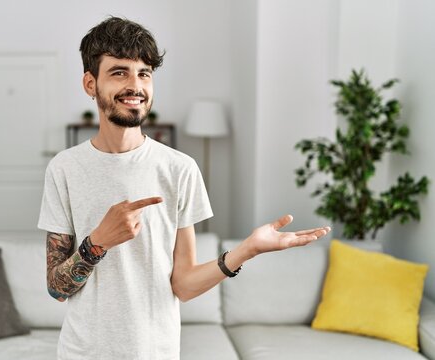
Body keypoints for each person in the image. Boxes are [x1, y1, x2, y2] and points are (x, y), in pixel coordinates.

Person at [37, 16, 330, 360]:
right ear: (90, 83)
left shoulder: (179, 169)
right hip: (82, 353)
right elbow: (57, 288)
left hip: (155, 352)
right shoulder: (65, 168)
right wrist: (98, 242)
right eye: (119, 72)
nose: (136, 85)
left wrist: (248, 249)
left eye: (144, 73)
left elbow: (184, 285)